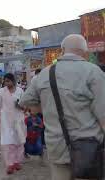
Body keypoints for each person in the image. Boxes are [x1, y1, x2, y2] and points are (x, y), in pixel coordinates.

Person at [19, 34, 105, 180]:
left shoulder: (45, 73)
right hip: (88, 149)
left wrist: (43, 108)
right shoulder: (93, 72)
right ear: (85, 52)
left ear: (62, 50)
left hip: (56, 147)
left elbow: (24, 101)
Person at [0, 73, 26, 175]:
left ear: (13, 81)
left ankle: (17, 162)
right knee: (8, 143)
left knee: (19, 142)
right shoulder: (2, 91)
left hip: (18, 119)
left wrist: (20, 106)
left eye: (8, 81)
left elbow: (25, 106)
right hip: (6, 121)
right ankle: (9, 164)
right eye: (5, 81)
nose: (6, 83)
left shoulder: (20, 91)